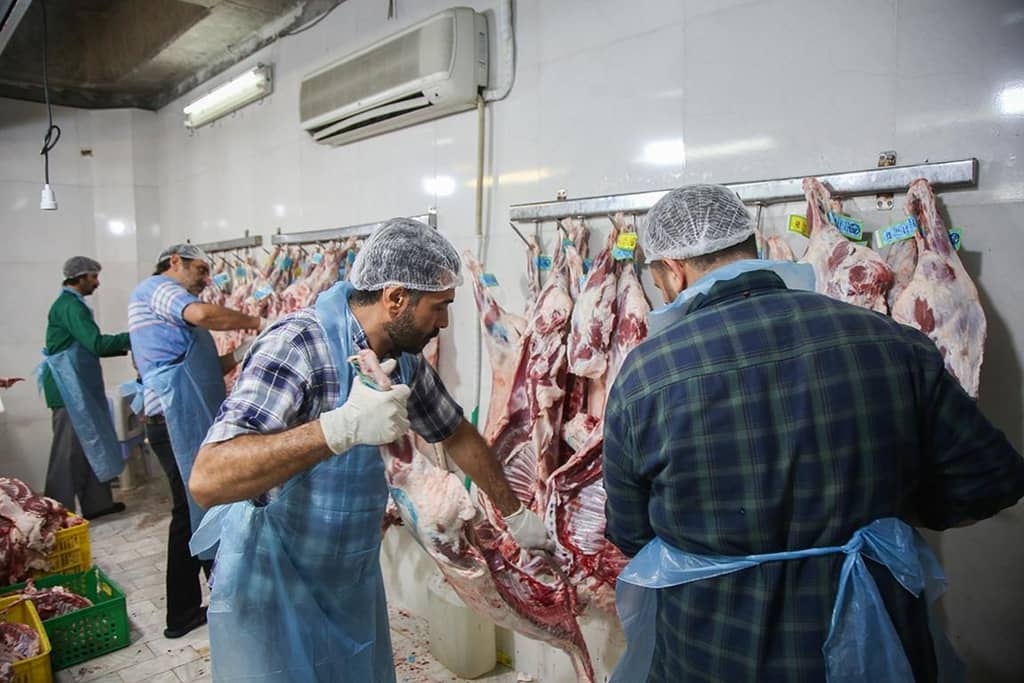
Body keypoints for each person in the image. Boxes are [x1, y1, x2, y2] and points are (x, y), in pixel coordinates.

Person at [602, 184, 1024, 683]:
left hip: (715, 650)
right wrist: (886, 519)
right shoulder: (890, 342)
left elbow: (630, 532)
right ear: (751, 244)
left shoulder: (648, 374)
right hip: (874, 642)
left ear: (673, 269)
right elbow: (992, 479)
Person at [189, 218, 552, 682]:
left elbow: (456, 432)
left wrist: (515, 513)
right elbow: (208, 477)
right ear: (396, 298)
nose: (443, 323)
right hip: (275, 584)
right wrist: (337, 428)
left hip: (349, 578)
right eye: (439, 308)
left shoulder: (404, 362)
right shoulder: (297, 344)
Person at [128, 243, 262, 639]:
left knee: (201, 506)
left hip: (187, 417)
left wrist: (241, 352)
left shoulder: (173, 306)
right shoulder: (158, 289)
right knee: (192, 510)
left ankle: (206, 603)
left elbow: (210, 366)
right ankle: (190, 610)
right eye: (201, 270)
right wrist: (257, 322)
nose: (206, 280)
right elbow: (203, 313)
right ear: (174, 262)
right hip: (173, 419)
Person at [41, 256, 131, 520]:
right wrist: (136, 335)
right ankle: (54, 516)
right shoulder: (70, 306)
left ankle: (97, 504)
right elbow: (96, 344)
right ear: (79, 277)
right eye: (93, 277)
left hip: (80, 386)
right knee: (66, 454)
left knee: (93, 444)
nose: (97, 282)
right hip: (67, 389)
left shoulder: (74, 304)